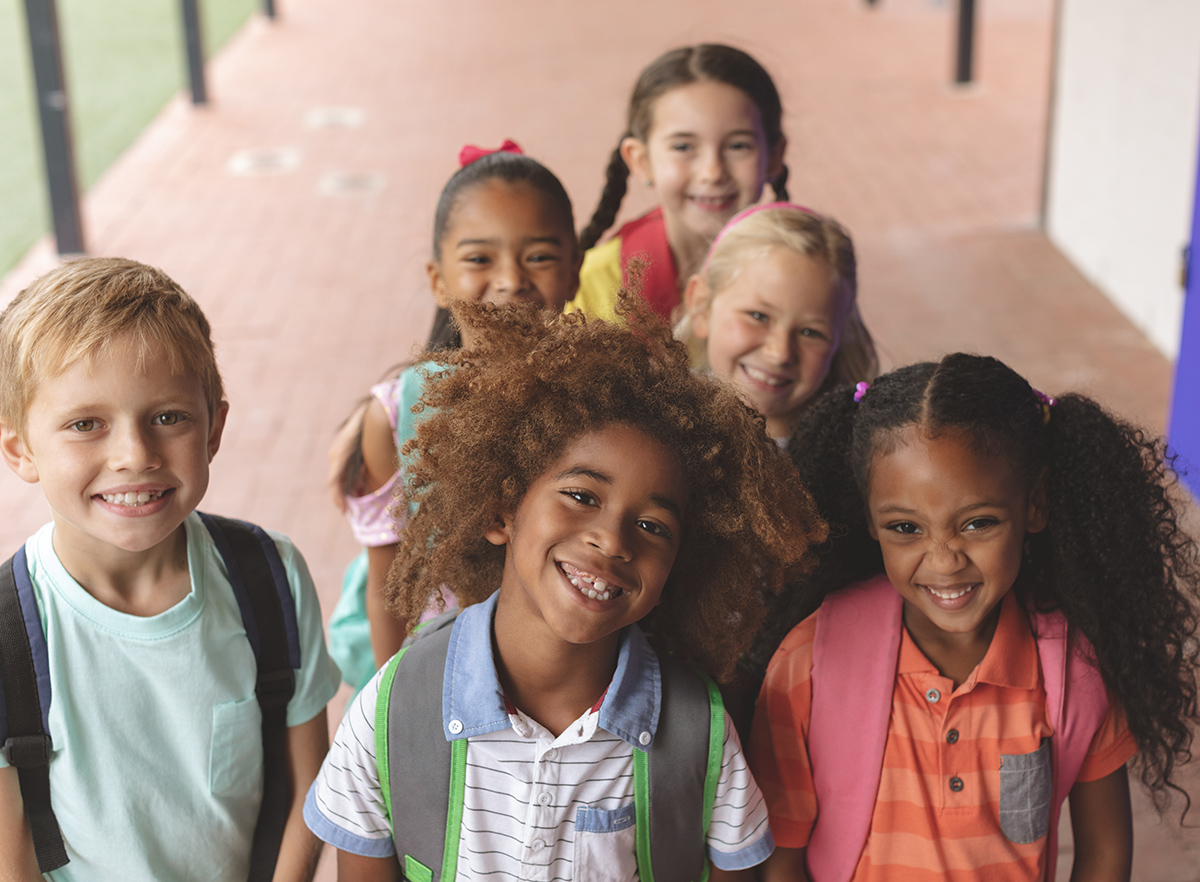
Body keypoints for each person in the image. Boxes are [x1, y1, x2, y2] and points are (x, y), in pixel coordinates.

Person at [304, 295, 826, 880]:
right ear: (502, 509)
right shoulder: (395, 708)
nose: (612, 540)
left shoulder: (696, 734)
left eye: (654, 526)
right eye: (581, 496)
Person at [748, 353, 1200, 882]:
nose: (944, 560)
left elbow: (1104, 855)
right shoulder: (810, 665)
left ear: (1035, 504)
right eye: (906, 528)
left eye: (978, 523)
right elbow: (781, 860)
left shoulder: (1072, 669)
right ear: (869, 518)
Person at [0, 258, 341, 881]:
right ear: (21, 449)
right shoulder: (8, 635)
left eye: (168, 417)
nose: (135, 455)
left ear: (213, 429)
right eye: (85, 425)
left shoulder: (271, 579)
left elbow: (305, 792)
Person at [326, 144, 582, 690]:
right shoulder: (396, 416)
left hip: (563, 680)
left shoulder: (598, 404)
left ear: (575, 269)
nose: (511, 279)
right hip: (436, 679)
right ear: (438, 278)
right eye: (479, 259)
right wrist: (388, 708)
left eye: (538, 255)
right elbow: (388, 583)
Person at [569, 43, 788, 323]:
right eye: (683, 147)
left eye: (738, 146)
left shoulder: (802, 273)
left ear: (774, 156)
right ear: (640, 160)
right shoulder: (596, 282)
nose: (713, 172)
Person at [678, 202, 877, 443]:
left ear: (839, 341)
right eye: (758, 316)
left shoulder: (851, 455)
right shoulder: (658, 423)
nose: (780, 353)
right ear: (701, 306)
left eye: (810, 332)